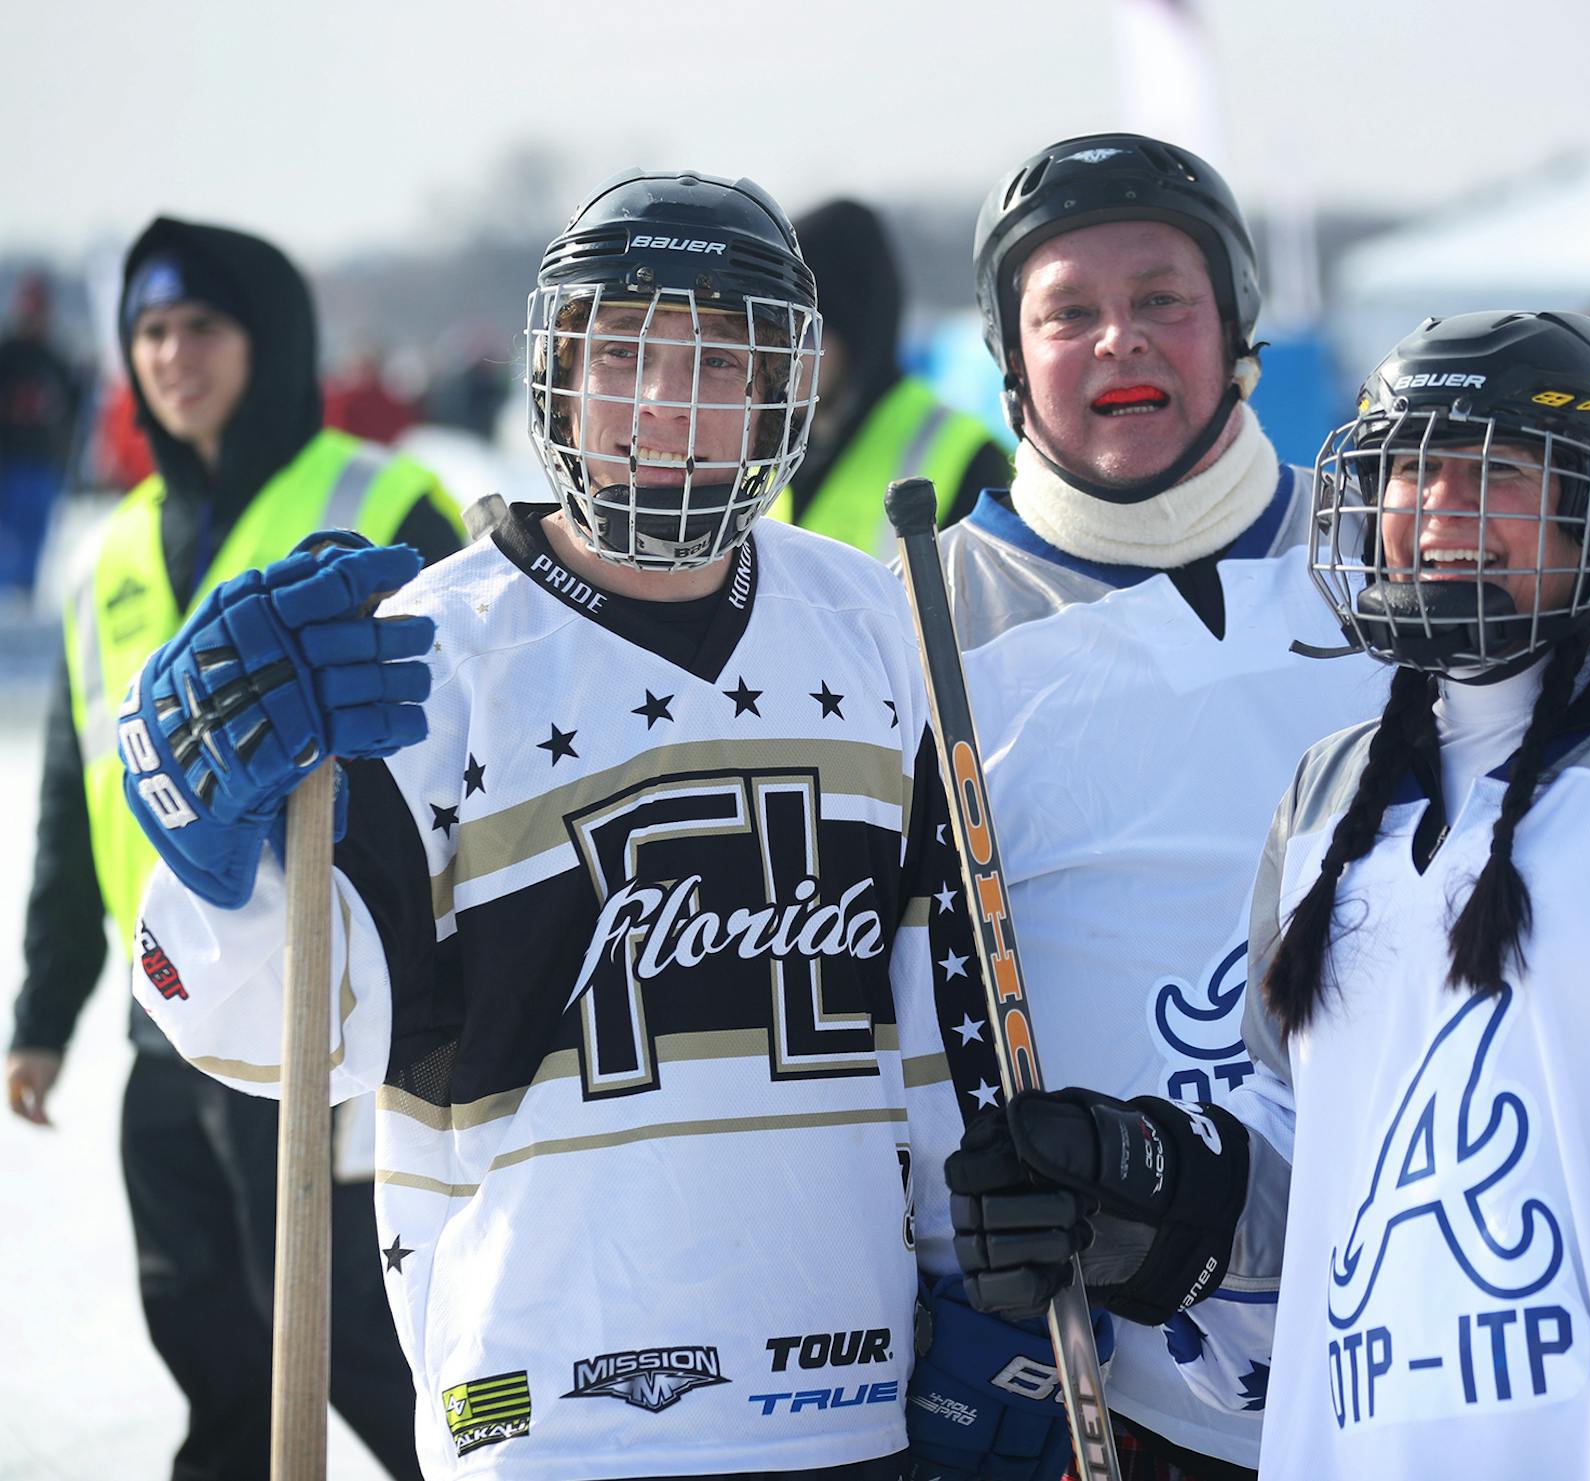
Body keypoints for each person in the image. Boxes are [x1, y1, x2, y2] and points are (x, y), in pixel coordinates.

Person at [116, 169, 1056, 1480]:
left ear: (787, 389)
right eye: (622, 352)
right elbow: (297, 1042)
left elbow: (945, 1024)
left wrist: (985, 1291)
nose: (667, 404)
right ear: (555, 375)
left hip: (850, 1401)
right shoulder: (431, 657)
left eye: (719, 358)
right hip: (545, 1415)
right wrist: (215, 860)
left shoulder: (883, 625)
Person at [940, 310, 1590, 1478]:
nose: (1441, 510)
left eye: (1499, 474)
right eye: (1410, 473)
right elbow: (1307, 1156)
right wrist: (1142, 1186)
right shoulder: (1326, 801)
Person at [898, 133, 1392, 1481]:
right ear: (1013, 355)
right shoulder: (911, 626)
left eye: (1164, 298)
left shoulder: (1395, 567)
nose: (1121, 340)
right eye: (1067, 311)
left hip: (1404, 1331)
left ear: (1234, 326)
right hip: (1097, 1386)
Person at [6, 216, 463, 1481]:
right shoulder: (110, 551)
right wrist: (46, 1006)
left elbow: (465, 750)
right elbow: (72, 791)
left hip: (322, 1010)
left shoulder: (375, 500)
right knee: (204, 1334)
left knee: (357, 1348)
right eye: (149, 332)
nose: (171, 355)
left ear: (269, 339)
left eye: (201, 326)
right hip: (167, 1013)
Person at [765, 198, 1007, 555]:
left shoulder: (969, 454)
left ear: (856, 335)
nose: (785, 357)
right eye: (771, 334)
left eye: (803, 335)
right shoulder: (762, 449)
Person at [0, 270, 83, 595]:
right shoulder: (7, 355)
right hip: (7, 462)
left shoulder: (55, 359)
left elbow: (72, 408)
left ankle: (22, 595)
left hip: (42, 463)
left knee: (33, 536)